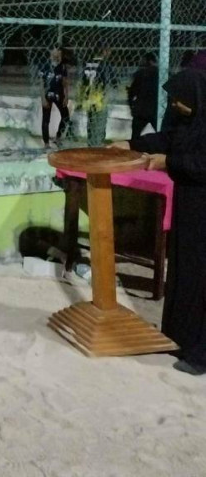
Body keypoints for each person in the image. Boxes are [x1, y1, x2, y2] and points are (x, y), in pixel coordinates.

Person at [117, 69, 206, 376]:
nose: (174, 105)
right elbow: (166, 139)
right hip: (189, 210)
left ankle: (201, 355)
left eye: (179, 100)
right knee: (184, 273)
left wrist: (168, 162)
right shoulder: (188, 123)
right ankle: (179, 338)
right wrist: (131, 144)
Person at [78, 45, 117, 146]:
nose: (110, 53)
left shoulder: (88, 64)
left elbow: (83, 82)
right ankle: (98, 147)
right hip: (100, 99)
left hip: (88, 99)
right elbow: (112, 83)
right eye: (108, 51)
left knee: (90, 124)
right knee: (99, 125)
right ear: (104, 51)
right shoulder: (105, 64)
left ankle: (90, 145)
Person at [40, 45, 71, 147]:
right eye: (55, 54)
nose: (57, 57)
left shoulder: (62, 67)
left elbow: (65, 83)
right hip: (48, 94)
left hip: (59, 94)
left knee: (66, 116)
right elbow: (41, 84)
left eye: (59, 55)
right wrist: (43, 98)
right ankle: (46, 143)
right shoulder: (45, 66)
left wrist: (66, 96)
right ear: (51, 54)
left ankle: (58, 138)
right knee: (46, 119)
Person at [127, 52, 159, 139]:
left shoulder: (140, 74)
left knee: (135, 136)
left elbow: (131, 92)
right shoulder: (160, 73)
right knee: (162, 133)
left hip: (141, 109)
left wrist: (131, 106)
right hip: (155, 108)